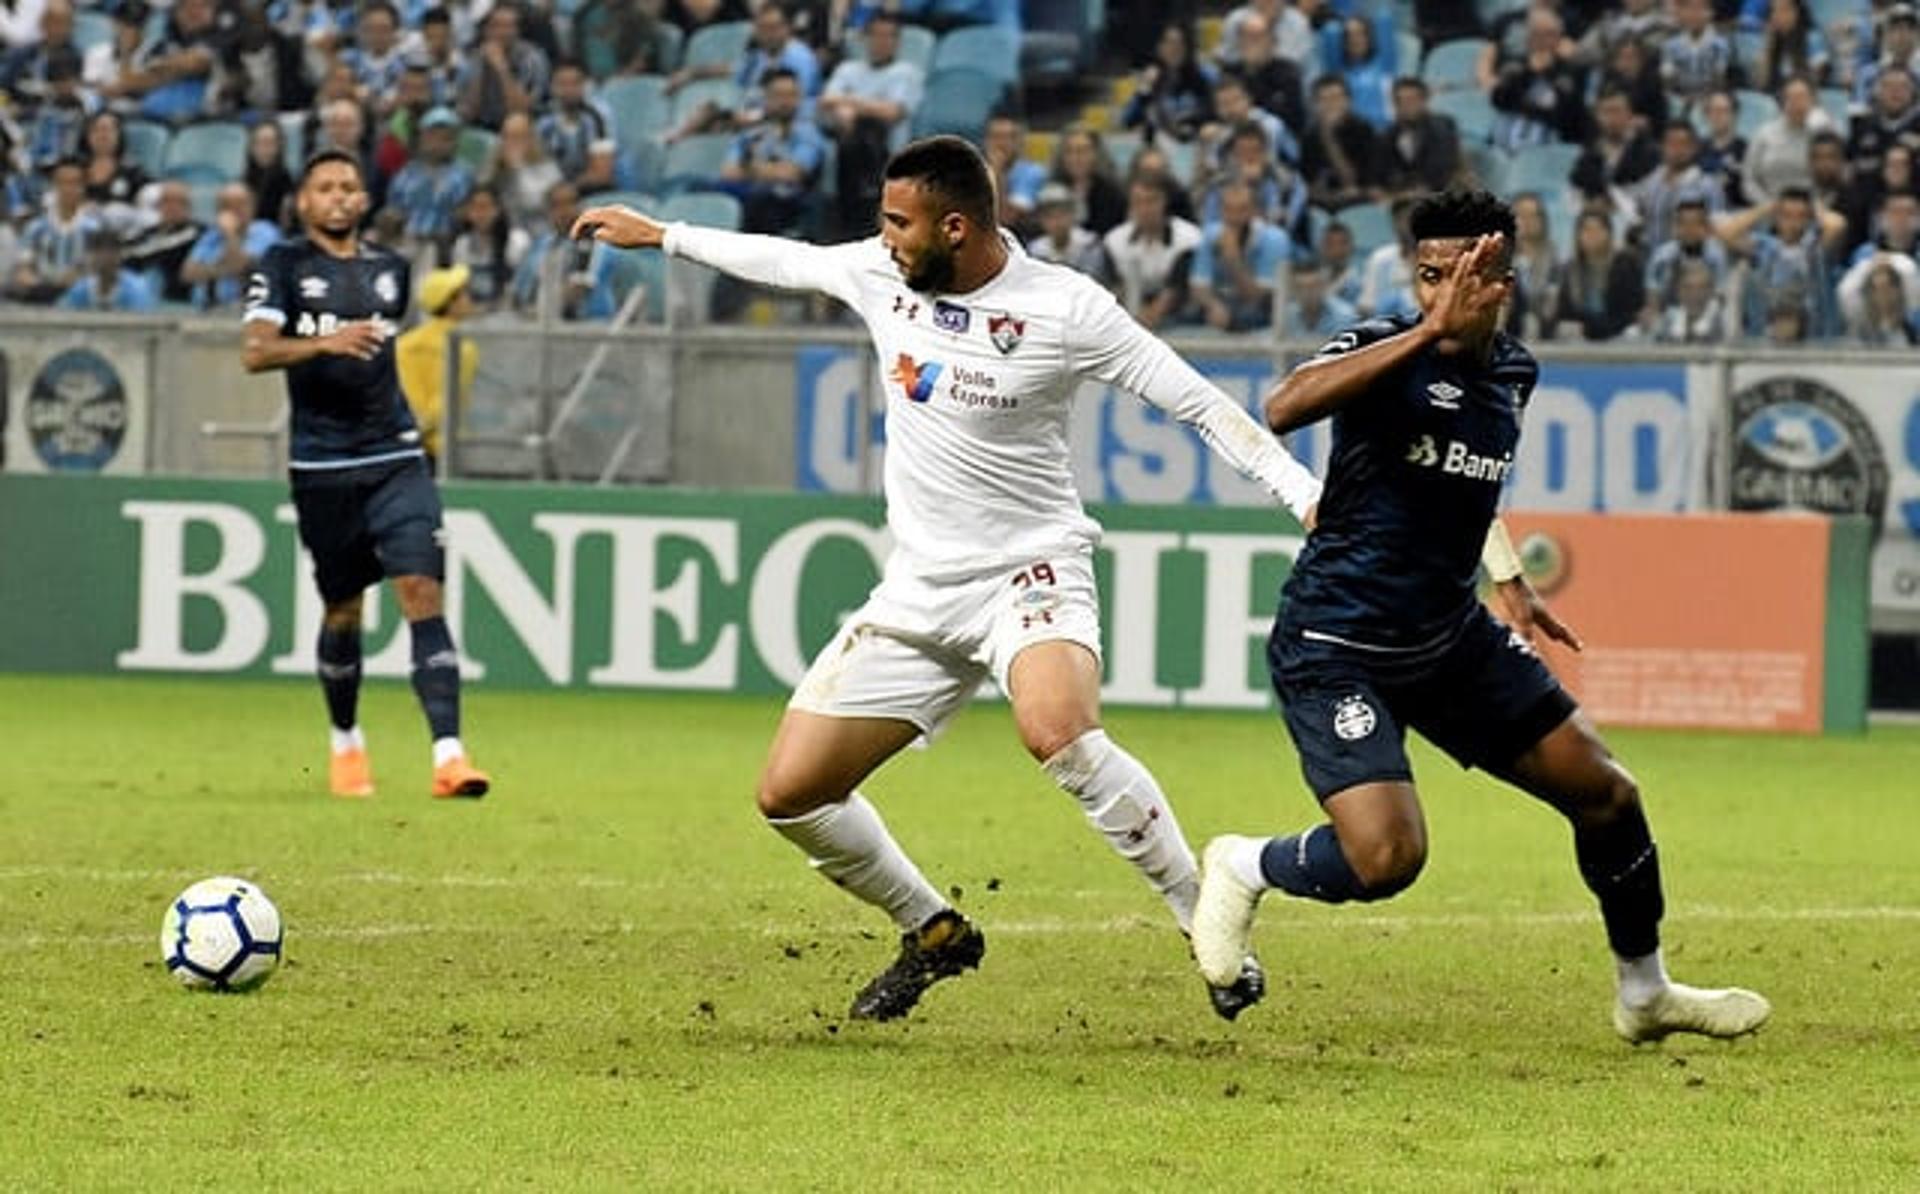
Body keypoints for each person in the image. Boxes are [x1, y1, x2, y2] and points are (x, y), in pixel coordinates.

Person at [572, 135, 1323, 1022]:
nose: (884, 238)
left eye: (899, 222)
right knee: (790, 795)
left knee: (1058, 733)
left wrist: (1301, 493)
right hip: (919, 592)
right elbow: (787, 260)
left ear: (955, 226)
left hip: (1029, 570)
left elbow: (1194, 399)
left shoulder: (1065, 308)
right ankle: (929, 927)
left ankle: (1202, 922)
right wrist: (665, 235)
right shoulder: (882, 274)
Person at [1190, 188, 1772, 1046]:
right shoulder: (1386, 346)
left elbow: (1463, 481)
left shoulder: (1513, 371)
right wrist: (1422, 333)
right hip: (1337, 638)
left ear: (1501, 279)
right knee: (1388, 859)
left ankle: (1645, 993)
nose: (1442, 293)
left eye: (1463, 275)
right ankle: (1245, 863)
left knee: (1608, 794)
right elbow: (1282, 407)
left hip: (1449, 635)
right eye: (1429, 275)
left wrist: (1507, 577)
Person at [241, 148, 492, 801]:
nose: (339, 196)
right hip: (323, 465)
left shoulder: (392, 271)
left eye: (349, 186)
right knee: (344, 610)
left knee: (420, 590)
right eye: (325, 186)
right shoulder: (284, 265)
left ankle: (450, 756)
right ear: (304, 201)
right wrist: (323, 341)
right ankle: (346, 743)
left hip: (395, 454)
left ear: (363, 199)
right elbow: (256, 350)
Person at [396, 264, 480, 465]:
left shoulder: (405, 343)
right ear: (450, 303)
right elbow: (447, 399)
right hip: (444, 449)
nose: (470, 299)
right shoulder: (463, 347)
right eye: (463, 294)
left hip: (411, 446)